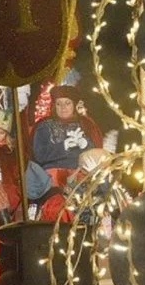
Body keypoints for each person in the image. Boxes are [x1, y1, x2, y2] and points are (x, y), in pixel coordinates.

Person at [31, 85, 103, 221]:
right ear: (54, 105)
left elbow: (96, 154)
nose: (63, 107)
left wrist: (85, 144)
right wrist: (62, 146)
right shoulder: (44, 126)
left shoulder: (86, 125)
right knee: (59, 206)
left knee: (93, 201)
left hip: (81, 174)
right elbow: (39, 154)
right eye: (59, 104)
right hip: (52, 177)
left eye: (67, 103)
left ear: (74, 104)